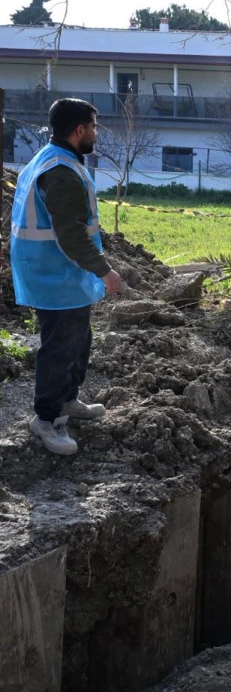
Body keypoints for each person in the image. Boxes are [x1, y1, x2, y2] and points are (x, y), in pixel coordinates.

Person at [11, 98, 123, 456]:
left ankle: (68, 400)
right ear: (79, 131)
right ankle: (46, 419)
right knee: (60, 348)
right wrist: (106, 271)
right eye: (93, 127)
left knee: (78, 340)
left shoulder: (56, 157)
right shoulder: (60, 171)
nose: (95, 133)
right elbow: (71, 234)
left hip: (62, 273)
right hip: (53, 274)